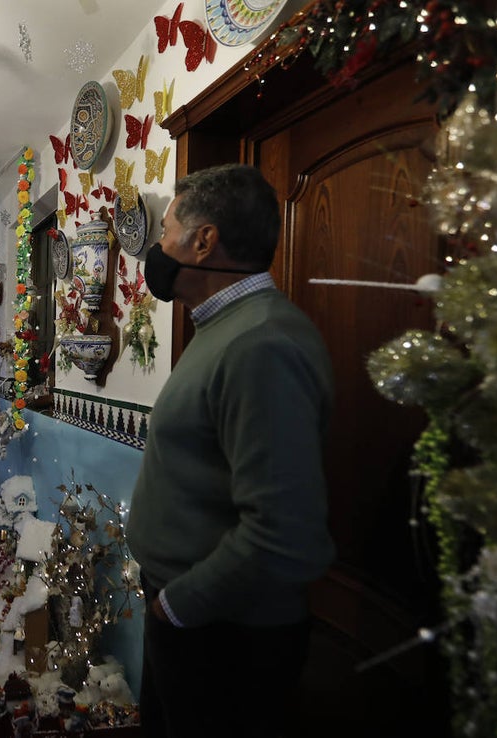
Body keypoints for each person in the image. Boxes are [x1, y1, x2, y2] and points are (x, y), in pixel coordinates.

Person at [126, 163, 336, 737]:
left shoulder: (261, 344)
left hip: (222, 635)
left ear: (203, 241)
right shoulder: (222, 327)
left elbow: (281, 532)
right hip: (195, 621)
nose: (157, 246)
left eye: (165, 228)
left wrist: (179, 605)